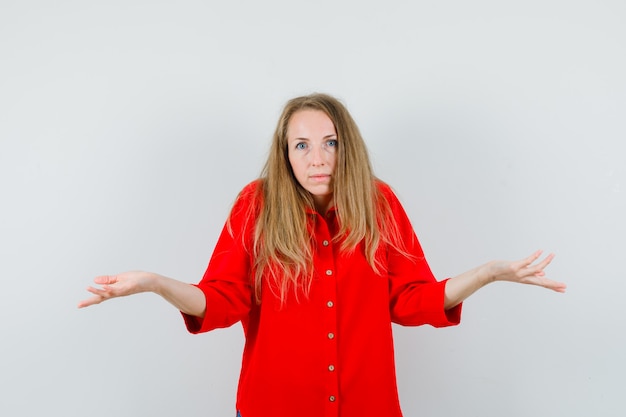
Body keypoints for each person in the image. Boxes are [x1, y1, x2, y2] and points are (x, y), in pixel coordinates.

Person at [78, 93, 566, 417]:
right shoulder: (257, 204)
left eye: (331, 142)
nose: (318, 158)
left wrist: (487, 273)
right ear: (285, 153)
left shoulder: (380, 204)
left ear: (346, 146)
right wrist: (156, 284)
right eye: (303, 145)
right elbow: (224, 299)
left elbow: (411, 299)